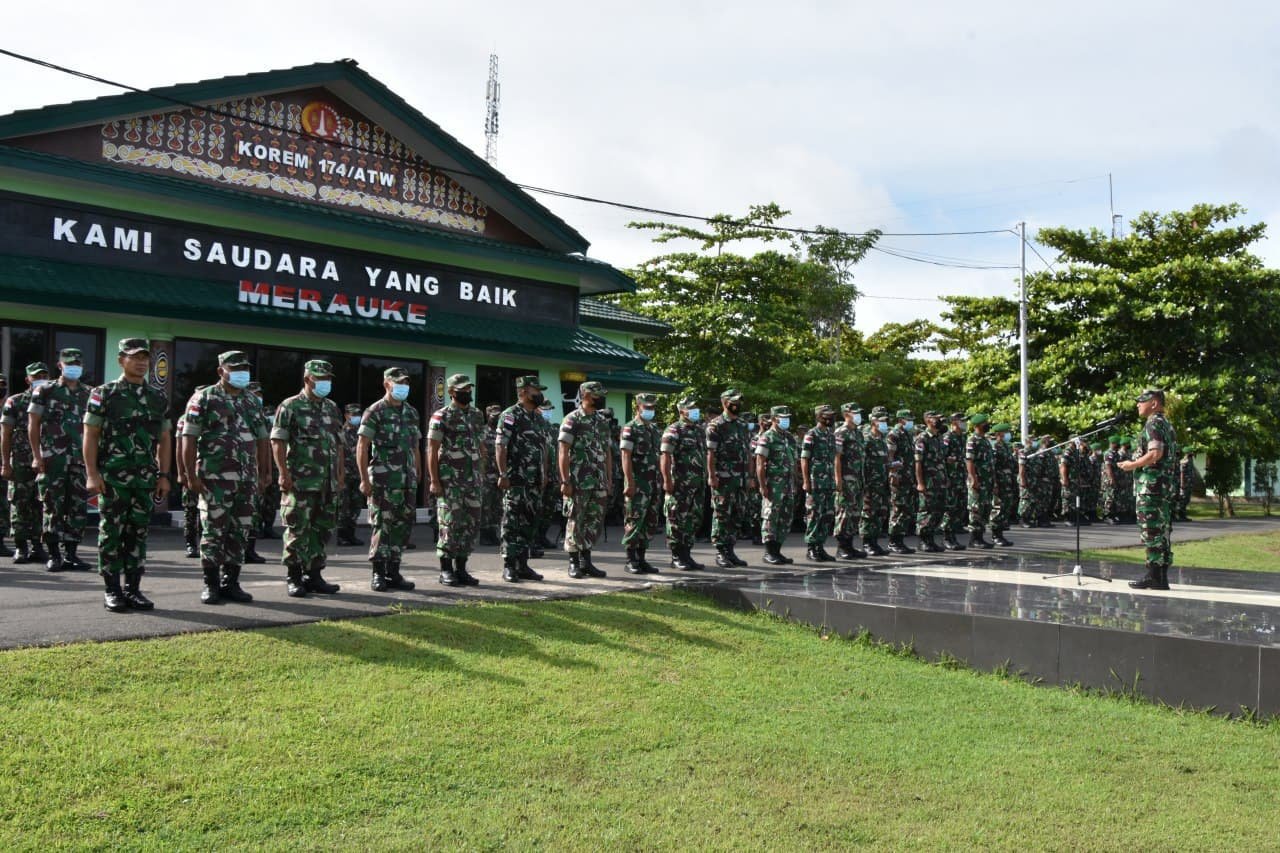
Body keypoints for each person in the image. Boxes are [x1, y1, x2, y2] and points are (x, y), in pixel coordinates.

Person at [82, 338, 171, 612]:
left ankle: (133, 590)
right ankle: (112, 590)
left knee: (138, 534)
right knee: (112, 533)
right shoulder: (104, 394)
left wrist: (164, 474)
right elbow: (91, 435)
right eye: (135, 358)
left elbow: (164, 438)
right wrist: (92, 474)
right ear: (121, 359)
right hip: (113, 479)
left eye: (145, 358)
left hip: (144, 479)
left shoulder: (157, 397)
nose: (142, 363)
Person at [184, 351, 271, 603]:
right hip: (215, 478)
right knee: (213, 531)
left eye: (245, 368)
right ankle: (210, 585)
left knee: (239, 531)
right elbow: (188, 438)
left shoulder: (252, 401)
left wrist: (265, 473)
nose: (242, 372)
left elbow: (263, 439)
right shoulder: (205, 397)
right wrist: (190, 476)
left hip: (246, 479)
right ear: (221, 370)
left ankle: (230, 582)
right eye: (235, 368)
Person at [272, 359, 344, 597]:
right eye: (320, 378)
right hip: (300, 482)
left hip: (327, 482)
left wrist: (340, 475)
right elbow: (278, 442)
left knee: (321, 530)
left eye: (328, 379)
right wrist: (282, 473)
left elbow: (339, 445)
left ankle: (314, 575)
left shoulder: (332, 408)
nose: (325, 383)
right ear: (307, 379)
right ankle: (294, 576)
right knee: (297, 529)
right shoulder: (290, 406)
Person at [28, 348, 92, 571]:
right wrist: (37, 456)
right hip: (52, 458)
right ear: (60, 365)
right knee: (52, 505)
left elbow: (95, 429)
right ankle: (54, 554)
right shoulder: (45, 391)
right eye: (69, 362)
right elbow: (33, 424)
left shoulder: (90, 393)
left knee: (77, 506)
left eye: (77, 362)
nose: (73, 366)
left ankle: (71, 554)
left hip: (80, 460)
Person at [358, 367, 420, 592]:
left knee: (402, 526)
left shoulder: (411, 412)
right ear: (387, 384)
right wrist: (364, 479)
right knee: (382, 526)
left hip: (407, 479)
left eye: (406, 382)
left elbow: (415, 445)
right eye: (399, 382)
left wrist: (418, 471)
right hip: (383, 480)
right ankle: (378, 573)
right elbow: (362, 446)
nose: (403, 387)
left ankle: (394, 571)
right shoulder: (375, 411)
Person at [428, 373, 484, 587]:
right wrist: (434, 480)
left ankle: (461, 568)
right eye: (462, 389)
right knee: (450, 524)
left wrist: (481, 473)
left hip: (473, 481)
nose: (467, 393)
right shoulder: (441, 416)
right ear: (451, 392)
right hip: (450, 481)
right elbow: (432, 449)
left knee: (470, 524)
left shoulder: (476, 415)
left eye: (469, 389)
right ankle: (446, 570)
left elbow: (480, 446)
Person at [1119, 389, 1177, 590]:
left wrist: (1131, 465)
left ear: (1154, 403)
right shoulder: (1166, 424)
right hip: (1162, 487)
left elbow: (1155, 454)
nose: (1138, 405)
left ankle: (1155, 576)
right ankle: (1159, 577)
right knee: (1161, 532)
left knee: (1151, 531)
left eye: (1141, 401)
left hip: (1151, 487)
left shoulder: (1153, 423)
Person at [495, 376, 547, 582]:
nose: (539, 394)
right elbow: (500, 446)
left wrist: (543, 474)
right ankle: (509, 564)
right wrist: (503, 474)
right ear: (524, 392)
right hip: (515, 478)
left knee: (530, 521)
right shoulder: (510, 415)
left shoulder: (538, 418)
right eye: (536, 390)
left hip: (534, 480)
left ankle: (523, 564)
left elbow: (542, 448)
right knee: (512, 522)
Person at [558, 380, 613, 579]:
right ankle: (573, 562)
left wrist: (608, 479)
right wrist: (565, 480)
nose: (601, 398)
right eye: (597, 394)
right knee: (575, 520)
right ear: (586, 395)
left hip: (598, 481)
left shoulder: (601, 421)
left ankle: (586, 561)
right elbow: (563, 450)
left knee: (593, 521)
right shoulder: (572, 419)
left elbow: (607, 451)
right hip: (578, 481)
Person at [1, 363, 51, 565]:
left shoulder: (52, 401)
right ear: (27, 379)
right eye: (36, 375)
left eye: (44, 375)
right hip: (20, 462)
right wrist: (5, 463)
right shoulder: (15, 402)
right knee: (20, 504)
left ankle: (38, 546)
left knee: (41, 505)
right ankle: (21, 547)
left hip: (45, 462)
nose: (40, 378)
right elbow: (5, 435)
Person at [705, 389, 751, 568]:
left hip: (740, 478)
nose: (737, 404)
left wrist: (749, 475)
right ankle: (720, 552)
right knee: (722, 515)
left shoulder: (742, 424)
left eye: (739, 401)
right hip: (722, 479)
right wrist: (712, 476)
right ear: (724, 402)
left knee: (737, 515)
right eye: (734, 401)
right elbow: (711, 453)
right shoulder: (716, 425)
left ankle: (730, 550)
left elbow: (747, 452)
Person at [661, 395, 707, 570]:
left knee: (693, 520)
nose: (695, 411)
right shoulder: (673, 430)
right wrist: (667, 480)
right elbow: (665, 456)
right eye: (691, 408)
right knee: (677, 520)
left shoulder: (699, 431)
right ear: (681, 411)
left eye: (696, 407)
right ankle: (676, 556)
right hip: (679, 484)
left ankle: (686, 554)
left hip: (697, 485)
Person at [620, 393, 661, 574]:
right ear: (638, 407)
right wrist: (629, 482)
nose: (650, 410)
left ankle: (642, 558)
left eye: (652, 407)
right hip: (638, 483)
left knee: (650, 522)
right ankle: (630, 559)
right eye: (647, 407)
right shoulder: (630, 429)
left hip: (653, 483)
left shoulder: (653, 430)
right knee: (634, 520)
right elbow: (625, 456)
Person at [756, 405, 798, 565]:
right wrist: (762, 485)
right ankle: (769, 552)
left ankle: (777, 550)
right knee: (770, 516)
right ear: (774, 419)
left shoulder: (789, 438)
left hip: (787, 484)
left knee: (785, 517)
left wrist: (795, 482)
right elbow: (760, 463)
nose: (786, 420)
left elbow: (793, 461)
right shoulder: (767, 437)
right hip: (773, 484)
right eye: (783, 417)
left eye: (788, 417)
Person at [801, 404, 839, 561]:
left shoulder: (831, 435)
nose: (830, 418)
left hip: (828, 482)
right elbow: (804, 459)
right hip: (815, 481)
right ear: (819, 417)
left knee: (827, 514)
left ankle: (820, 546)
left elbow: (835, 458)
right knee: (814, 514)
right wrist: (805, 481)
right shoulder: (811, 434)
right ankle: (811, 548)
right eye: (826, 415)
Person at [832, 403, 866, 560]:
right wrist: (838, 479)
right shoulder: (840, 433)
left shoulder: (858, 434)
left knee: (855, 512)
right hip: (846, 479)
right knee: (844, 512)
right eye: (855, 412)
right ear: (846, 414)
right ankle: (842, 547)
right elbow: (836, 458)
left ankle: (850, 545)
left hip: (858, 479)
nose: (858, 415)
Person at [174, 389, 203, 559]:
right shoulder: (184, 420)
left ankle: (205, 543)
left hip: (207, 473)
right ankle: (191, 544)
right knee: (190, 510)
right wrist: (181, 472)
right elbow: (180, 448)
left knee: (207, 512)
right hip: (191, 471)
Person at [914, 410, 948, 553]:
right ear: (928, 420)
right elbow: (918, 463)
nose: (939, 420)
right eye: (936, 418)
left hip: (939, 480)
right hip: (928, 481)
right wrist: (920, 483)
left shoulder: (938, 437)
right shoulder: (922, 438)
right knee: (926, 510)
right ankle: (923, 540)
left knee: (938, 510)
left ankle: (931, 538)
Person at [859, 406, 891, 557]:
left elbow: (884, 462)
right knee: (869, 514)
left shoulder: (882, 441)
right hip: (870, 484)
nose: (885, 423)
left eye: (886, 420)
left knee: (880, 512)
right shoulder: (867, 440)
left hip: (882, 483)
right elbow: (862, 463)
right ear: (874, 422)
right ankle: (867, 543)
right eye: (882, 421)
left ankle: (874, 541)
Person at [965, 413, 996, 549]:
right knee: (976, 509)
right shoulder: (973, 440)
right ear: (978, 425)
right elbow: (969, 461)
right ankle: (974, 539)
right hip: (978, 481)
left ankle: (980, 537)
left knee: (985, 508)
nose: (987, 425)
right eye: (985, 423)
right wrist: (973, 478)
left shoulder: (985, 440)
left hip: (987, 481)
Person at [337, 403, 365, 546]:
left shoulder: (361, 433)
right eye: (353, 414)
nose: (356, 417)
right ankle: (341, 535)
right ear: (346, 415)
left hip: (358, 474)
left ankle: (351, 534)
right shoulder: (341, 432)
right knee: (343, 505)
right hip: (345, 474)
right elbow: (338, 455)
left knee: (356, 505)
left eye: (358, 414)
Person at [941, 413, 968, 551]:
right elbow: (942, 458)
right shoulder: (948, 437)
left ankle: (954, 536)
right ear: (954, 422)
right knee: (950, 509)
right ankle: (947, 537)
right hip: (951, 478)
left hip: (961, 477)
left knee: (960, 507)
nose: (964, 423)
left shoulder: (962, 437)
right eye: (962, 421)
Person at [988, 422, 1016, 547]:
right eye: (1006, 432)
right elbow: (992, 467)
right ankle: (995, 535)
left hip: (1007, 481)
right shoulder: (995, 447)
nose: (1008, 434)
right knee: (998, 508)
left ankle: (1001, 533)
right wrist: (994, 483)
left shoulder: (1006, 446)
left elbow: (1011, 464)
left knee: (1006, 507)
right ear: (999, 434)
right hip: (999, 481)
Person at [479, 403, 504, 546]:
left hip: (499, 475)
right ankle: (484, 534)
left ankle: (493, 533)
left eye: (499, 416)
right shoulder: (482, 432)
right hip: (486, 475)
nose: (497, 419)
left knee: (497, 506)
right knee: (485, 505)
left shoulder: (502, 432)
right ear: (488, 416)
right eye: (494, 416)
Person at [1177, 448, 1198, 521]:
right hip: (1185, 484)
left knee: (1187, 499)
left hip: (1189, 483)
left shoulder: (1190, 461)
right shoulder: (1184, 462)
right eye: (1191, 453)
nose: (1192, 454)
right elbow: (1182, 473)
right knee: (1183, 499)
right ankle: (1180, 516)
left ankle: (1183, 515)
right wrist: (1182, 484)